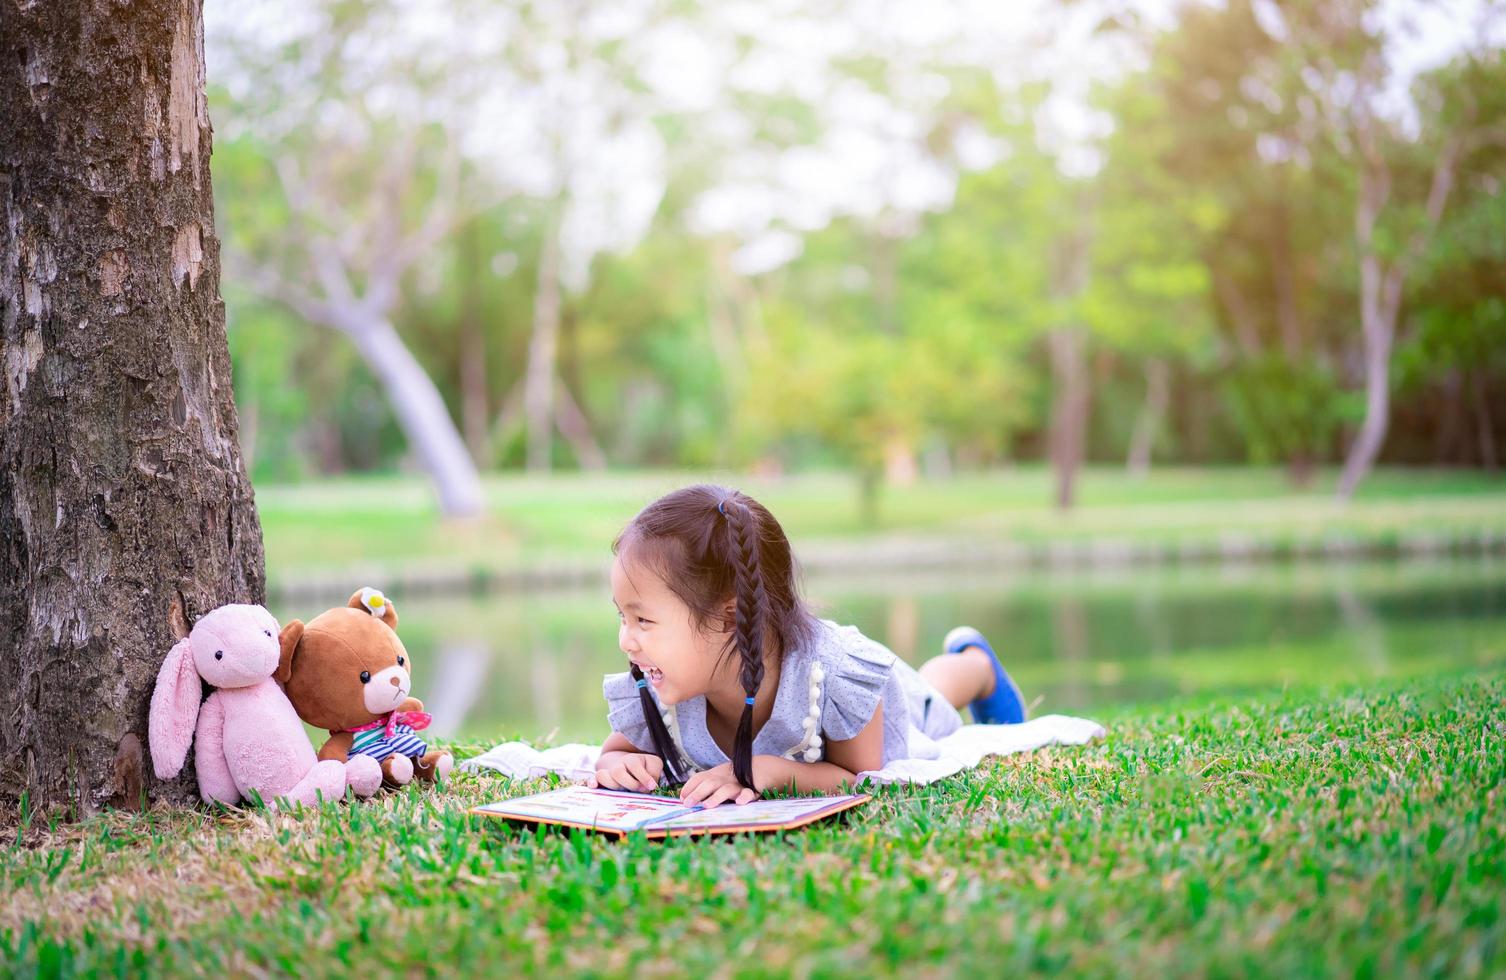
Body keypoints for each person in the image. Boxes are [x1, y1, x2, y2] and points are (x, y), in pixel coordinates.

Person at [589, 484, 1026, 807]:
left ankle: (978, 666)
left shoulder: (831, 675)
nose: (626, 640)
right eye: (622, 616)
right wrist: (616, 766)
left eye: (643, 620)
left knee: (930, 704)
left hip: (885, 713)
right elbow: (618, 750)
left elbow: (859, 777)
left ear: (728, 617)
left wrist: (769, 770)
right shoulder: (661, 687)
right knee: (928, 692)